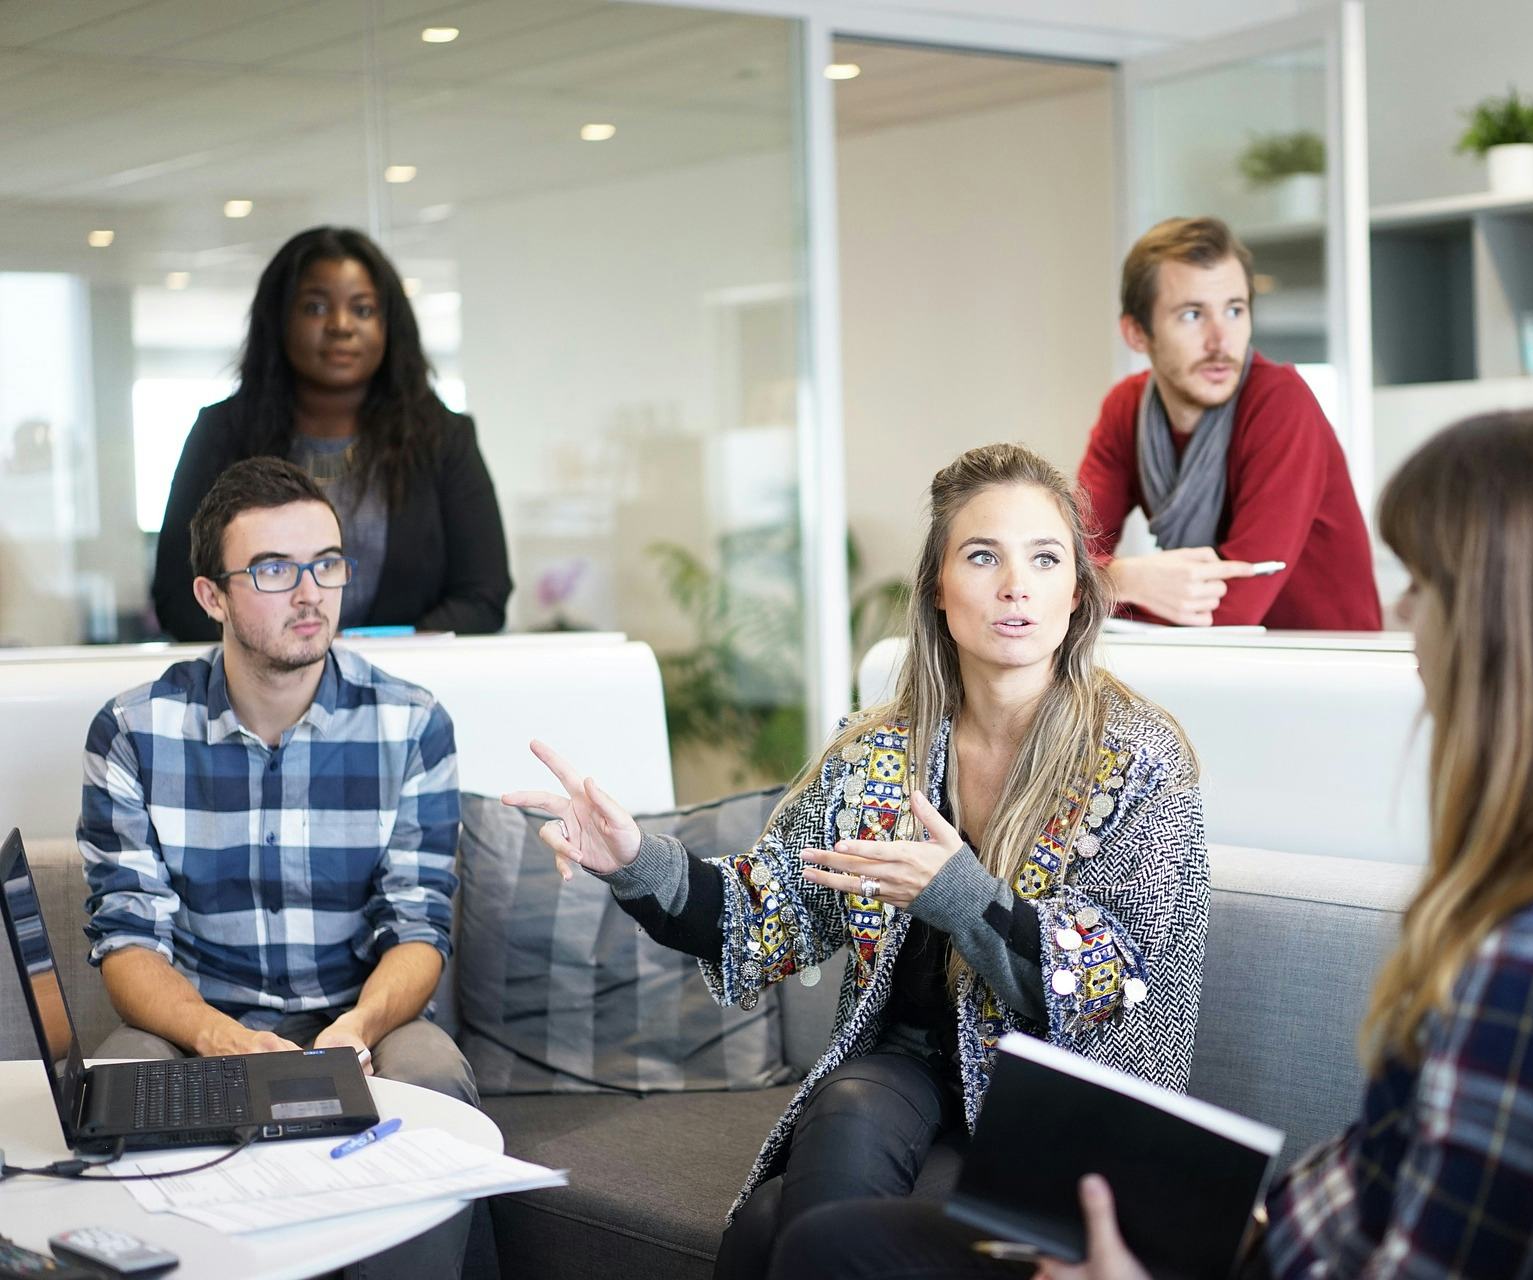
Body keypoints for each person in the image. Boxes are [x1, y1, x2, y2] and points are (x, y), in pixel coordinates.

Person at [775, 410, 1533, 1280]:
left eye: (1428, 584)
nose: (1404, 615)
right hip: (1263, 1238)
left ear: (1523, 627)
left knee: (835, 1252)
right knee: (826, 1232)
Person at [506, 443, 1209, 1277]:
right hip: (906, 1070)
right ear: (938, 592)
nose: (1016, 584)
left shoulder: (1138, 758)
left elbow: (1116, 986)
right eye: (982, 556)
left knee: (775, 1226)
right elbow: (758, 915)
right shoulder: (879, 753)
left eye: (1045, 558)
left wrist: (960, 895)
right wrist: (631, 860)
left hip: (1059, 1106)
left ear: (1077, 595)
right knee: (843, 1111)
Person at [82, 458, 475, 1110]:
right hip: (197, 1021)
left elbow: (419, 927)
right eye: (273, 570)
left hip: (360, 1016)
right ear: (213, 597)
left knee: (434, 1076)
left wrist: (357, 1029)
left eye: (326, 564)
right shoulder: (132, 731)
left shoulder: (411, 724)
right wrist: (218, 1036)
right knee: (118, 1084)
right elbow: (127, 940)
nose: (310, 593)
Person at [152, 226, 510, 641]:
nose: (341, 326)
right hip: (259, 695)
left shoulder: (444, 439)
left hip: (408, 688)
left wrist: (374, 658)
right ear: (279, 319)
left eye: (363, 310)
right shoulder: (222, 434)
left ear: (390, 325)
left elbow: (483, 596)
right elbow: (178, 597)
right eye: (316, 308)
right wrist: (286, 654)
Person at [1075, 216, 1379, 630]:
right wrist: (1124, 578)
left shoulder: (1280, 401)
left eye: (1234, 310)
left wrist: (1100, 585)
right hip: (1215, 665)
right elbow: (1061, 562)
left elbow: (1234, 608)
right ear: (1136, 334)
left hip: (1325, 669)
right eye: (1191, 315)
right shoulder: (1125, 408)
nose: (1221, 341)